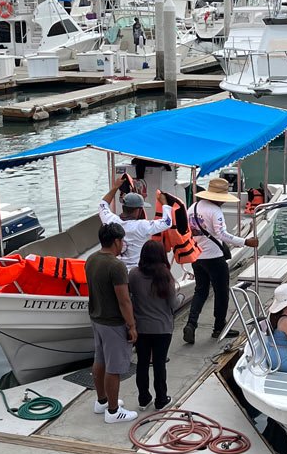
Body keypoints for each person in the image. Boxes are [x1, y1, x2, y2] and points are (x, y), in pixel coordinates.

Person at [182, 176, 258, 344]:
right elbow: (222, 235)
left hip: (197, 255)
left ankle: (191, 324)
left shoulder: (192, 207)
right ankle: (219, 327)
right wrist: (245, 241)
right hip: (214, 257)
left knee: (200, 291)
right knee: (221, 292)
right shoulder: (215, 211)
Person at [85, 222, 138, 423]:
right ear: (117, 241)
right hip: (113, 322)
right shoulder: (116, 266)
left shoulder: (91, 259)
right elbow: (124, 300)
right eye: (122, 240)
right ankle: (114, 412)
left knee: (100, 360)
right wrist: (132, 325)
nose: (123, 244)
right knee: (114, 367)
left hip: (96, 318)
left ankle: (102, 401)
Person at [129, 240, 181, 410]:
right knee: (159, 364)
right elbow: (173, 304)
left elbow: (129, 298)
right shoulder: (165, 275)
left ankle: (143, 399)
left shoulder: (134, 275)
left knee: (142, 363)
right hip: (162, 328)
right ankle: (161, 399)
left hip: (141, 328)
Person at [98, 177, 172, 269]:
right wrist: (165, 203)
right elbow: (167, 222)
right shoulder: (142, 226)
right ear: (138, 210)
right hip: (136, 271)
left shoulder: (111, 221)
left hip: (116, 269)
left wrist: (115, 187)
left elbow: (102, 205)